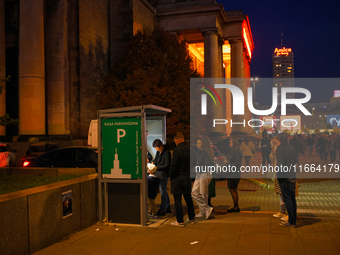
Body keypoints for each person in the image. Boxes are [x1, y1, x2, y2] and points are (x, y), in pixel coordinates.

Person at [169, 132, 195, 227]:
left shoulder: (177, 151)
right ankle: (191, 218)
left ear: (177, 140)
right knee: (188, 198)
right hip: (187, 177)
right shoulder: (190, 150)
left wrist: (170, 175)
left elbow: (174, 166)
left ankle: (180, 221)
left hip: (177, 178)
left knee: (178, 200)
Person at [276, 133, 298, 227]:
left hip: (284, 176)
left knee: (287, 199)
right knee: (292, 199)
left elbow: (280, 164)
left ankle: (291, 222)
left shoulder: (280, 149)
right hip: (292, 175)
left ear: (280, 139)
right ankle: (293, 219)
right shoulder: (292, 147)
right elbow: (295, 160)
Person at [192, 136, 214, 219]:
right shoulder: (199, 152)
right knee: (194, 192)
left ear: (203, 144)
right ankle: (206, 209)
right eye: (197, 143)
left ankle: (203, 211)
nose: (197, 145)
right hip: (199, 174)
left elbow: (207, 166)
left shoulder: (206, 153)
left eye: (199, 143)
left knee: (203, 193)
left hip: (205, 174)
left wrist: (197, 166)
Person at [150, 139, 172, 216]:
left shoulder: (167, 152)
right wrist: (152, 163)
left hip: (163, 174)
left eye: (157, 148)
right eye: (155, 148)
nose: (156, 149)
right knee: (163, 190)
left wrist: (156, 167)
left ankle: (163, 208)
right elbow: (156, 160)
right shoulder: (158, 152)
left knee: (163, 191)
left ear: (161, 146)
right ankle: (167, 206)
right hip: (159, 173)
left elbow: (166, 165)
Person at [270, 136, 286, 219]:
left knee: (284, 192)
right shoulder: (277, 150)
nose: (274, 143)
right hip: (278, 172)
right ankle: (282, 211)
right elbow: (272, 160)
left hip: (282, 173)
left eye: (275, 142)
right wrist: (273, 152)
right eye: (273, 142)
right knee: (280, 192)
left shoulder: (282, 149)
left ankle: (284, 212)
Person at [226, 138, 242, 213]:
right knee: (231, 189)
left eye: (231, 142)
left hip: (234, 173)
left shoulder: (237, 152)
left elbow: (237, 163)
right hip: (231, 172)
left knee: (233, 189)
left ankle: (236, 207)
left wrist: (229, 163)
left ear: (234, 143)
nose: (229, 143)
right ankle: (235, 206)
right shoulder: (233, 151)